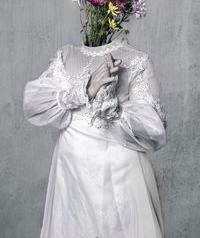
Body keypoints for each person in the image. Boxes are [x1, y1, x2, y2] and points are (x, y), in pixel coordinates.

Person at [23, 37, 167, 238]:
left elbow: (152, 128)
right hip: (71, 171)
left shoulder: (135, 60)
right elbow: (34, 104)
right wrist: (84, 91)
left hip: (118, 170)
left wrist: (111, 107)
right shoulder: (67, 56)